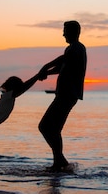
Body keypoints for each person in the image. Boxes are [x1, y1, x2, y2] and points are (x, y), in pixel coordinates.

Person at [37, 20, 87, 172]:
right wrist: (47, 72)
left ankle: (60, 160)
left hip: (67, 95)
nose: (63, 34)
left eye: (65, 31)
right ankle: (58, 161)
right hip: (66, 95)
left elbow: (63, 60)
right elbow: (62, 67)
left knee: (45, 126)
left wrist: (45, 67)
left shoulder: (76, 48)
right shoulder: (72, 49)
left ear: (73, 32)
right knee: (52, 128)